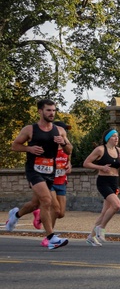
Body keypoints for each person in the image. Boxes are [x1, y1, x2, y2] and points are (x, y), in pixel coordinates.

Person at [5, 99, 73, 249]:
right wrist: (29, 149)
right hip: (34, 170)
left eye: (54, 110)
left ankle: (15, 216)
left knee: (35, 203)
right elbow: (14, 146)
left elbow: (69, 150)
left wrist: (63, 143)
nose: (52, 113)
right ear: (40, 111)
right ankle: (51, 238)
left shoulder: (59, 130)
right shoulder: (30, 129)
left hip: (50, 171)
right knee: (46, 200)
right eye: (48, 110)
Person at [82, 129, 120, 244]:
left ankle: (91, 237)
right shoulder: (100, 149)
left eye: (117, 136)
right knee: (117, 205)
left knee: (105, 212)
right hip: (103, 182)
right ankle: (101, 228)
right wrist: (101, 167)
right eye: (113, 136)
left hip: (114, 182)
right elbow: (86, 163)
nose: (116, 138)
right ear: (108, 138)